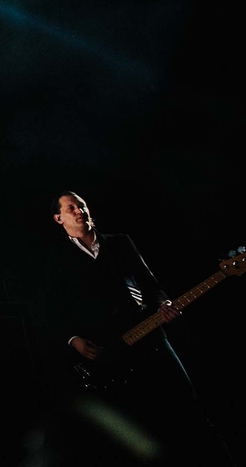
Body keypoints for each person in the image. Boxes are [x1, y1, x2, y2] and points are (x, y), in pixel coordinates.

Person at [46, 192, 233, 464]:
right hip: (113, 357)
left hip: (152, 341)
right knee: (140, 430)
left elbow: (151, 284)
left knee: (189, 411)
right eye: (71, 207)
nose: (79, 211)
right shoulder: (57, 259)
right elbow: (55, 310)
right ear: (58, 218)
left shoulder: (120, 243)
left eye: (82, 205)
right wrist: (74, 339)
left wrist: (163, 304)